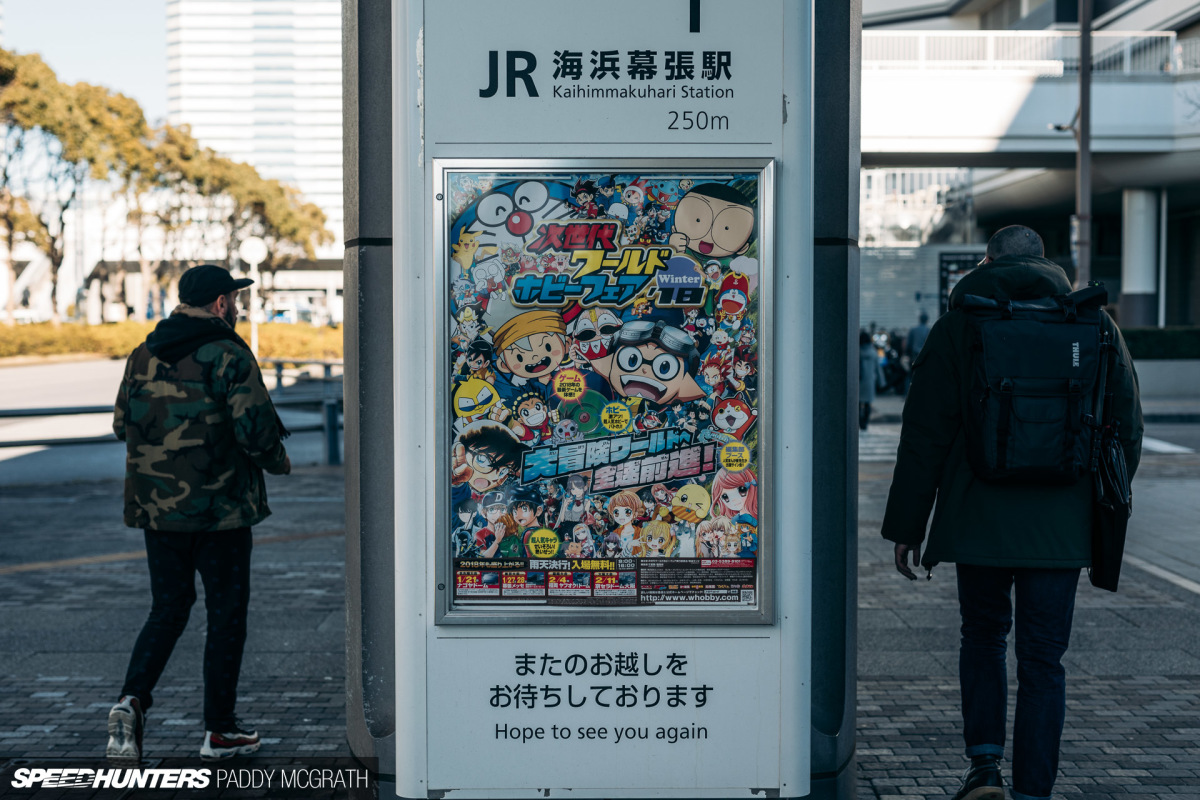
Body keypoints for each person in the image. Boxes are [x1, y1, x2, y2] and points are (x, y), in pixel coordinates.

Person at [881, 226, 1142, 800]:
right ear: (1047, 265)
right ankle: (1033, 790)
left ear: (986, 261)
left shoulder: (959, 327)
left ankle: (984, 768)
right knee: (1044, 660)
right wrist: (1102, 508)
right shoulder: (1096, 326)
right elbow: (1127, 429)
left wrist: (906, 526)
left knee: (983, 637)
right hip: (1061, 525)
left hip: (979, 522)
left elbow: (924, 436)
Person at [108, 264, 291, 765]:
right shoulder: (228, 354)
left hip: (157, 513)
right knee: (225, 616)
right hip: (221, 513)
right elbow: (256, 431)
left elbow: (123, 424)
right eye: (233, 298)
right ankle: (220, 730)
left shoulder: (142, 353)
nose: (235, 306)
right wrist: (280, 463)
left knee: (168, 609)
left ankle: (131, 700)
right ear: (219, 304)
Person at [858, 330, 882, 431]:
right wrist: (882, 382)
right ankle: (865, 422)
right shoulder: (873, 353)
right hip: (870, 381)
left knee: (858, 404)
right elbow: (878, 369)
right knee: (868, 403)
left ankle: (860, 421)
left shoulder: (857, 352)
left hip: (859, 381)